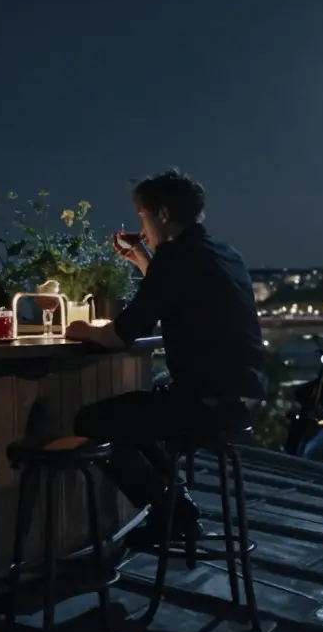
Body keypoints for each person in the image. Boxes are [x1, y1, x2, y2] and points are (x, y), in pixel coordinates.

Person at [64, 168, 267, 546]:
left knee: (93, 420)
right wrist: (142, 258)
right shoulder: (225, 253)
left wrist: (76, 329)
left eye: (143, 216)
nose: (142, 227)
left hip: (205, 405)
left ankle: (168, 511)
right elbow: (176, 287)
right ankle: (176, 507)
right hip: (239, 400)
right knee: (142, 411)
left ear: (163, 215)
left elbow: (120, 334)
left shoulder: (176, 259)